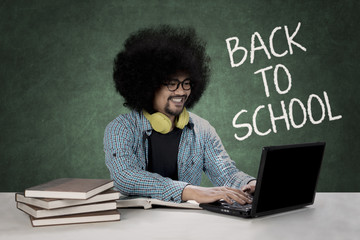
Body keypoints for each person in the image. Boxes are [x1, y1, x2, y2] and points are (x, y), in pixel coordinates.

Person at [104, 25, 256, 205]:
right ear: (148, 85)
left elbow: (226, 174)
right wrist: (189, 191)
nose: (181, 91)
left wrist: (251, 184)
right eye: (172, 83)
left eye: (186, 83)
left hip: (187, 225)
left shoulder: (201, 129)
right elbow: (125, 177)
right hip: (135, 223)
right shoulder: (121, 128)